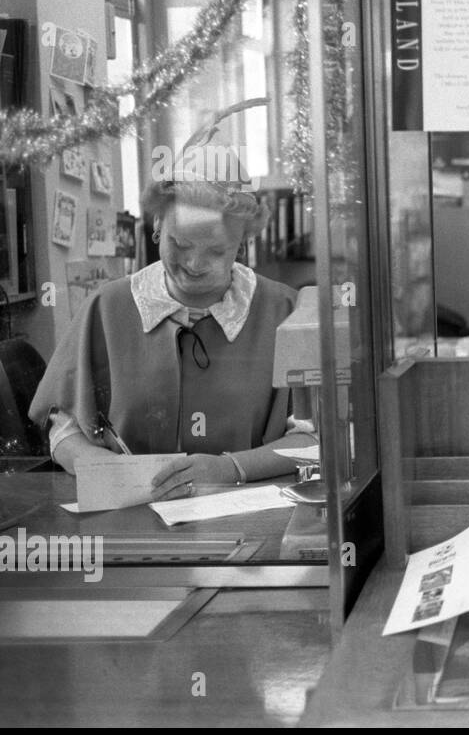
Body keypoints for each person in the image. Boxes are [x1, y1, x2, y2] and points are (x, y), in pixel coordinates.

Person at [29, 176, 316, 499]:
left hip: (251, 523)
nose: (194, 264)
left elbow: (316, 438)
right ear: (157, 226)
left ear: (242, 244)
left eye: (216, 250)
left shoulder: (287, 311)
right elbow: (63, 427)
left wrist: (233, 468)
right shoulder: (106, 307)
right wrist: (101, 467)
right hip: (129, 515)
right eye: (179, 244)